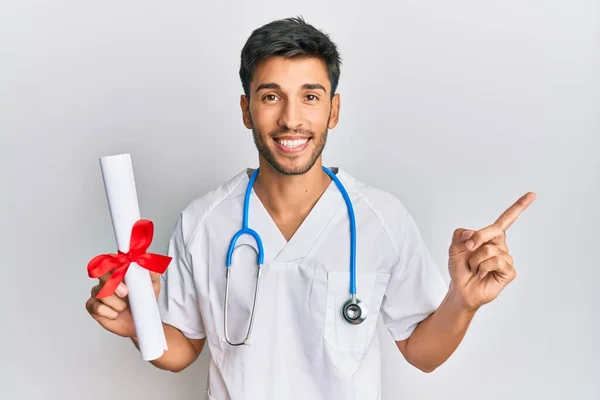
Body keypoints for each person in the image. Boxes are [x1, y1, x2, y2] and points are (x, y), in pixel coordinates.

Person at [85, 16, 535, 400]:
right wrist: (136, 326)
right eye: (270, 96)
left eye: (310, 96)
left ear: (333, 111)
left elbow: (422, 353)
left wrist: (463, 301)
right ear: (246, 110)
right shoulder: (203, 220)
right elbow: (182, 350)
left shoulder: (381, 218)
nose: (291, 119)